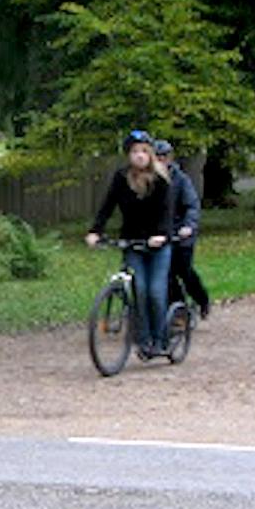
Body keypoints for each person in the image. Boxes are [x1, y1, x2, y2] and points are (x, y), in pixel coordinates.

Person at [86, 130, 175, 358]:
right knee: (140, 289)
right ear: (128, 155)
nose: (139, 156)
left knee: (155, 291)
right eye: (135, 151)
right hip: (132, 242)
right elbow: (107, 207)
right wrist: (96, 231)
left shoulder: (161, 179)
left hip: (157, 245)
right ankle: (143, 341)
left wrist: (162, 235)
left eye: (144, 151)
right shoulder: (121, 178)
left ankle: (161, 339)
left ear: (151, 154)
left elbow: (167, 211)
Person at [155, 139, 210, 320]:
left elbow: (192, 205)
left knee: (184, 271)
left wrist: (188, 226)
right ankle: (178, 311)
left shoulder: (180, 179)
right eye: (157, 156)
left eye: (164, 156)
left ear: (170, 158)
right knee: (166, 274)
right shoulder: (148, 179)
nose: (161, 160)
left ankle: (202, 300)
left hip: (181, 235)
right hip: (161, 235)